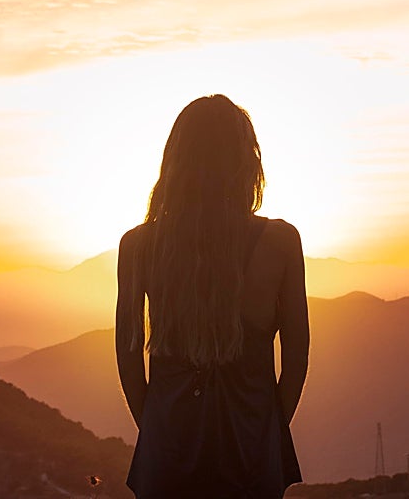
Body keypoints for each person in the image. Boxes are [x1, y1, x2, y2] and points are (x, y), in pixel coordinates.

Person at [115, 94, 309, 499]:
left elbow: (129, 359)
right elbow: (296, 359)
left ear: (175, 162)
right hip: (251, 447)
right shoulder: (280, 242)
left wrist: (157, 430)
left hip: (167, 447)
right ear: (245, 161)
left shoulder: (138, 246)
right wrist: (267, 429)